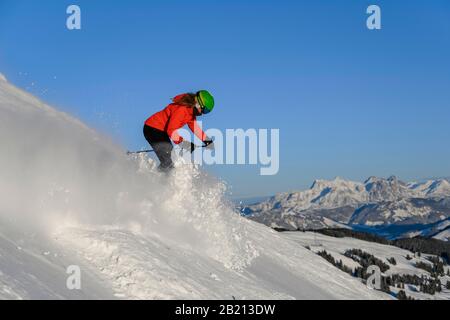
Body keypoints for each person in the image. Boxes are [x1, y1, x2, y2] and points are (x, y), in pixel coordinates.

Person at [143, 90, 215, 172]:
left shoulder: (190, 112)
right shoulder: (182, 110)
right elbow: (171, 130)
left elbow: (194, 127)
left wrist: (206, 140)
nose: (202, 114)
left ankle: (158, 177)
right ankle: (155, 179)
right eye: (204, 110)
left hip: (161, 131)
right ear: (198, 104)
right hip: (152, 129)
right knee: (168, 162)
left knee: (170, 159)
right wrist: (184, 143)